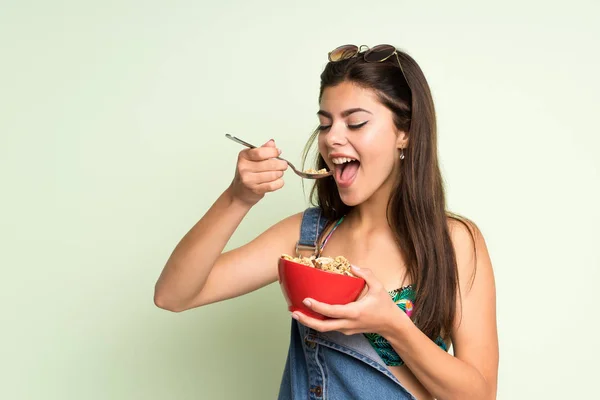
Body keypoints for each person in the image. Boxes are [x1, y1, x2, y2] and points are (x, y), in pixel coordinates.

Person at [154, 44, 499, 400]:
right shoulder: (308, 240)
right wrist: (237, 198)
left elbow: (480, 394)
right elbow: (173, 295)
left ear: (405, 132)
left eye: (356, 122)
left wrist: (393, 325)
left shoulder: (455, 242)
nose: (332, 138)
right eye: (324, 123)